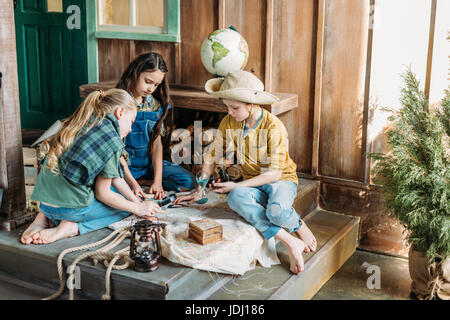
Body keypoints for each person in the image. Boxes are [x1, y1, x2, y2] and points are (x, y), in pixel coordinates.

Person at [174, 70, 317, 275]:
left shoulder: (274, 127)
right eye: (227, 107)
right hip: (253, 183)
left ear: (252, 104)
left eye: (234, 108)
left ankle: (298, 225)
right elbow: (210, 157)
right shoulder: (229, 122)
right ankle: (289, 241)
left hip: (281, 180)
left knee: (276, 212)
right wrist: (200, 189)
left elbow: (274, 174)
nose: (230, 112)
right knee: (235, 199)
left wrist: (236, 184)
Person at [21, 89, 162, 245]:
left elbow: (115, 178)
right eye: (131, 122)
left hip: (46, 203)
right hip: (69, 210)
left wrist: (138, 203)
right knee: (124, 208)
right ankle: (71, 228)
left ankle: (42, 218)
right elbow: (103, 194)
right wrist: (138, 209)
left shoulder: (82, 122)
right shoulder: (110, 138)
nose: (130, 129)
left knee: (123, 198)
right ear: (120, 112)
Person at [116, 52, 196, 200]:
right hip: (123, 166)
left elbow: (156, 143)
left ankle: (144, 182)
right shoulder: (118, 101)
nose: (151, 88)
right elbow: (115, 149)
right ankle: (134, 183)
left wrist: (157, 181)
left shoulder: (154, 105)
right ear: (135, 72)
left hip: (147, 166)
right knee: (107, 188)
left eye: (156, 84)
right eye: (147, 81)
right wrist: (131, 182)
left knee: (189, 182)